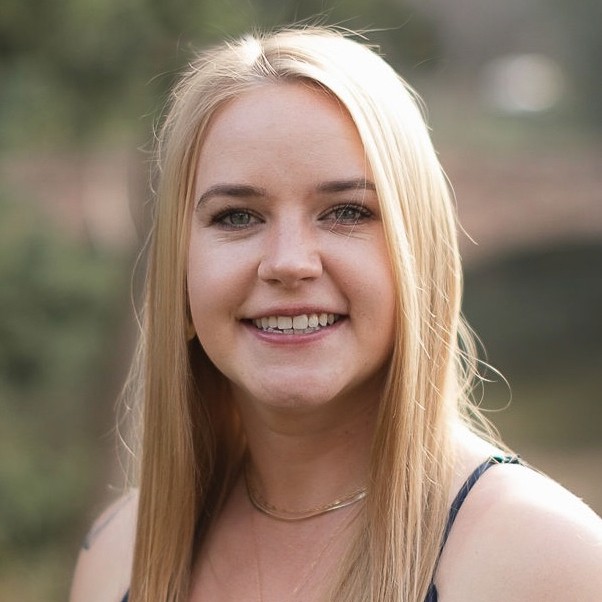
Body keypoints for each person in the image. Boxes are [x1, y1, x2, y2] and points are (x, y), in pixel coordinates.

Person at [69, 26, 602, 602]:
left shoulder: (546, 561)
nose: (288, 263)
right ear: (180, 274)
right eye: (237, 217)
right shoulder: (117, 558)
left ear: (419, 255)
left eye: (347, 211)